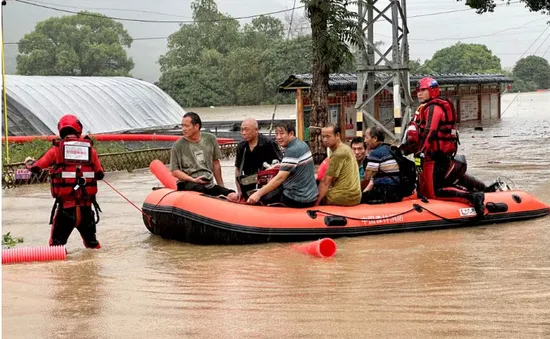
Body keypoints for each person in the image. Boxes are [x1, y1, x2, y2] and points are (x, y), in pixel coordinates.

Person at [403, 76, 485, 217]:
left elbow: (430, 130)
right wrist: (403, 150)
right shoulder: (423, 108)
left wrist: (421, 152)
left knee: (434, 192)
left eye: (423, 90)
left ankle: (472, 197)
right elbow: (415, 134)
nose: (419, 93)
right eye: (418, 90)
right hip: (422, 156)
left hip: (434, 157)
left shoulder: (434, 108)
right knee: (423, 188)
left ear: (432, 91)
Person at [24, 114, 104, 249]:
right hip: (86, 209)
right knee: (92, 246)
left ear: (61, 131)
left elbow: (36, 167)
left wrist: (28, 163)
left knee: (56, 248)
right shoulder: (91, 151)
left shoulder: (55, 150)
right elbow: (100, 174)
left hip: (66, 210)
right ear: (78, 130)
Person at [246, 121, 318, 207]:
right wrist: (277, 166)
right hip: (310, 195)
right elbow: (295, 164)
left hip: (298, 197)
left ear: (291, 133)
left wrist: (258, 194)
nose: (278, 137)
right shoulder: (301, 144)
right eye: (276, 134)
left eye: (282, 133)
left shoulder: (292, 150)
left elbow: (280, 178)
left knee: (263, 198)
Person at [170, 112, 238, 202]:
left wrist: (221, 187)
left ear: (196, 126)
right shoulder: (178, 145)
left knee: (233, 196)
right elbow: (175, 171)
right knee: (201, 192)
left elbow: (216, 164)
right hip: (188, 183)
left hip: (207, 183)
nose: (183, 129)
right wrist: (193, 180)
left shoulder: (210, 139)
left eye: (187, 126)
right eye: (182, 126)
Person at [234, 118, 282, 200]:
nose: (243, 133)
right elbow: (238, 169)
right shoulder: (241, 147)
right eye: (241, 130)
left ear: (256, 130)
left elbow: (281, 166)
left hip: (266, 184)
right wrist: (239, 190)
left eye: (246, 130)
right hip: (248, 182)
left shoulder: (269, 143)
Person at [315, 124, 361, 206]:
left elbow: (326, 182)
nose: (325, 140)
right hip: (355, 195)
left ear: (337, 135)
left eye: (328, 137)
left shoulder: (338, 154)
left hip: (343, 196)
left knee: (309, 197)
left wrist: (316, 204)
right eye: (323, 137)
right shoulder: (346, 148)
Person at [360, 126, 403, 204]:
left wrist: (357, 191)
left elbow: (367, 178)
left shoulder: (376, 153)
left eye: (366, 137)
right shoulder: (389, 149)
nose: (365, 141)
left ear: (375, 138)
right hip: (397, 191)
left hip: (385, 192)